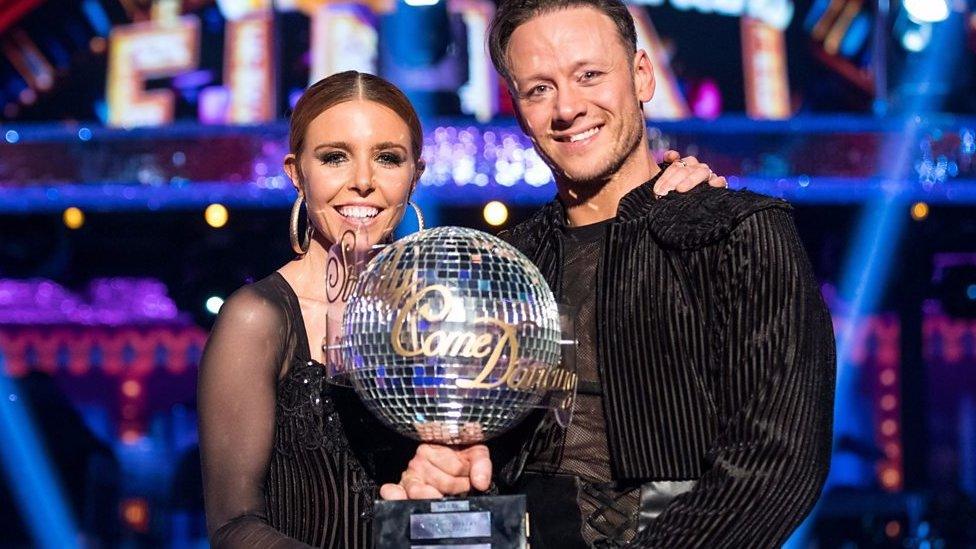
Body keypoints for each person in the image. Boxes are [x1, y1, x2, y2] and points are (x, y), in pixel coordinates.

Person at [198, 69, 723, 548]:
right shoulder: (259, 318)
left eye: (388, 157)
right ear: (297, 172)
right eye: (335, 156)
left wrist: (671, 191)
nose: (363, 179)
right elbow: (232, 526)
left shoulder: (449, 314)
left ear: (415, 174)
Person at [384, 1, 837, 547]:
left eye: (589, 75)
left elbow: (778, 463)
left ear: (642, 75)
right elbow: (476, 456)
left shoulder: (739, 233)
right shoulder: (501, 266)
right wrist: (453, 476)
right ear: (519, 110)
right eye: (539, 89)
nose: (567, 107)